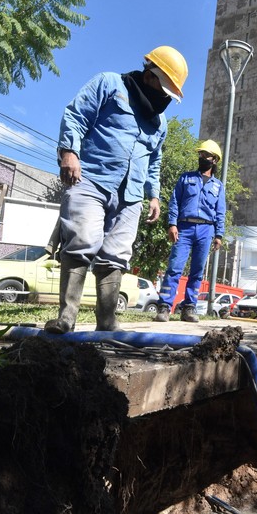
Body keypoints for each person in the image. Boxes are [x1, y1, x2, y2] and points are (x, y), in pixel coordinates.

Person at [44, 46, 188, 334]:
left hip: (131, 195)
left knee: (117, 255)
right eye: (164, 88)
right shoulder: (109, 84)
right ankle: (66, 318)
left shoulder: (160, 123)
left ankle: (107, 322)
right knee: (81, 240)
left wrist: (154, 194)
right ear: (151, 76)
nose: (165, 98)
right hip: (92, 179)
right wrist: (69, 153)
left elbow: (154, 161)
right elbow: (75, 115)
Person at [154, 140, 227, 323]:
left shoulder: (218, 186)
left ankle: (189, 308)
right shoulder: (186, 178)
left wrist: (219, 234)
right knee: (174, 268)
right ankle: (164, 307)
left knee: (197, 272)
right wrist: (172, 224)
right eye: (200, 154)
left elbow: (220, 211)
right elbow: (174, 202)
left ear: (215, 160)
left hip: (206, 229)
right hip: (184, 228)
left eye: (206, 155)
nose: (202, 158)